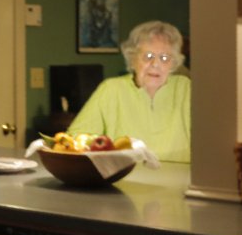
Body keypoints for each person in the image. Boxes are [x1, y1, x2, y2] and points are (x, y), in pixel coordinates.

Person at [68, 20, 191, 162]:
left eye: (164, 58)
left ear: (173, 63)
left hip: (179, 181)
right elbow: (76, 141)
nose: (155, 64)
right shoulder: (111, 90)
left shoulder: (186, 89)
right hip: (122, 178)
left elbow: (213, 142)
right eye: (148, 56)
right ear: (132, 59)